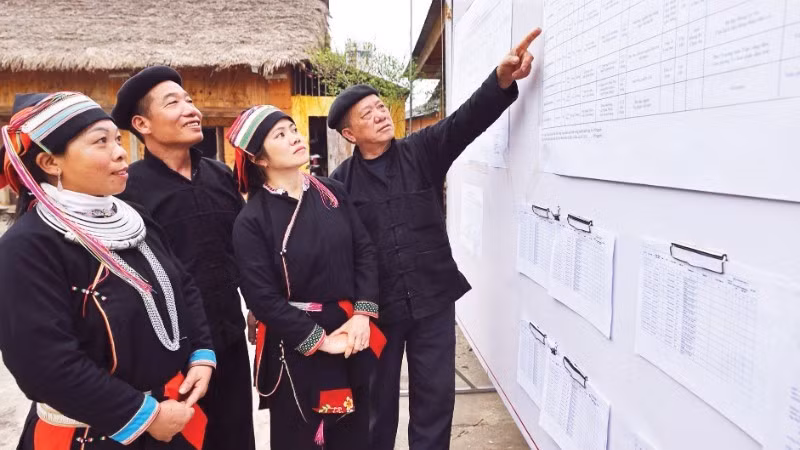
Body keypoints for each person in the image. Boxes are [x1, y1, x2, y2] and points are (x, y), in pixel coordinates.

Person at [328, 28, 542, 449]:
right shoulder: (340, 185)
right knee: (375, 407)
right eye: (366, 113)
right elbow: (337, 253)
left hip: (432, 302)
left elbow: (466, 121)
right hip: (378, 312)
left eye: (379, 107)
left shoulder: (421, 151)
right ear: (349, 134)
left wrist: (500, 80)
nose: (379, 114)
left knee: (435, 402)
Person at [0, 92, 216, 448]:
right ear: (50, 162)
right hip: (93, 434)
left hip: (170, 419)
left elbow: (181, 284)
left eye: (117, 139)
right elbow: (45, 364)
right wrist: (146, 416)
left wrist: (202, 355)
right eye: (101, 141)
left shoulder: (135, 219)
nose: (120, 152)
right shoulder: (28, 248)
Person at [111, 66, 255, 450]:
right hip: (169, 346)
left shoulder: (220, 176)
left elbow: (242, 249)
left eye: (190, 100)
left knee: (236, 435)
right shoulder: (128, 190)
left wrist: (257, 304)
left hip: (228, 335)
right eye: (173, 103)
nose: (192, 110)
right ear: (142, 123)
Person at [228, 105, 385, 449]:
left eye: (293, 129)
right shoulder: (252, 220)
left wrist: (362, 314)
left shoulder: (332, 193)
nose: (294, 137)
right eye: (279, 135)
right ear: (259, 159)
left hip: (351, 332)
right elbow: (261, 298)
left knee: (355, 433)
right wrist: (321, 340)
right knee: (306, 438)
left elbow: (365, 251)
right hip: (297, 342)